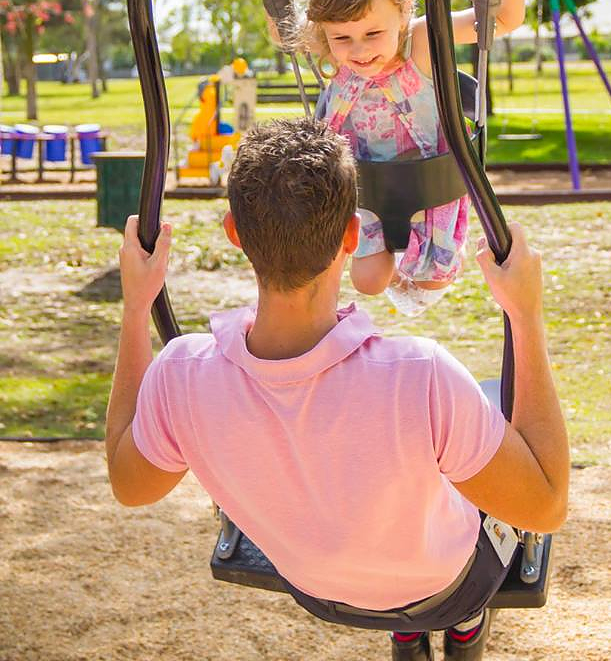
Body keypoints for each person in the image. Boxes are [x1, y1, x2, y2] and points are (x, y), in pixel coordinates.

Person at [106, 118, 569, 661]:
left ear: (235, 232)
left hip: (320, 593)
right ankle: (464, 622)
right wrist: (525, 314)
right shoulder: (420, 375)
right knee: (488, 420)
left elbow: (129, 483)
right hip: (449, 584)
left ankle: (412, 629)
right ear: (352, 235)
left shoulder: (180, 374)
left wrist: (136, 308)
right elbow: (546, 507)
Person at [248, 0, 526, 313]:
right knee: (368, 282)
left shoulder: (424, 41)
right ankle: (393, 273)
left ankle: (420, 268)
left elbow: (502, 20)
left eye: (372, 33)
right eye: (341, 38)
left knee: (433, 280)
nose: (358, 50)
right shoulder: (330, 49)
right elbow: (284, 33)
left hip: (429, 184)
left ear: (403, 10)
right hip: (368, 187)